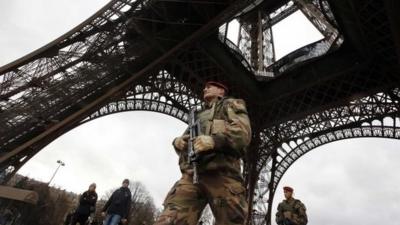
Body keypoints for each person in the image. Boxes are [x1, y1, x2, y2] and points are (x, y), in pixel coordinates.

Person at [154, 81, 252, 225]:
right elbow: (188, 139)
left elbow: (243, 134)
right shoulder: (198, 115)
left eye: (209, 86)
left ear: (221, 91)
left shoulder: (231, 104)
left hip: (222, 175)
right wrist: (177, 142)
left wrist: (213, 141)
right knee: (169, 219)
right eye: (204, 87)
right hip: (193, 174)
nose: (204, 88)